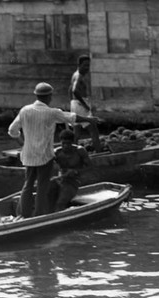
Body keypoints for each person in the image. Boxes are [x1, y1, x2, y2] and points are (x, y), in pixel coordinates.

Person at [8, 82, 101, 218]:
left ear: (36, 95)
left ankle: (23, 215)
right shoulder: (51, 113)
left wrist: (24, 143)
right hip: (45, 156)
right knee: (42, 186)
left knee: (27, 185)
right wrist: (89, 120)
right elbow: (72, 117)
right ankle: (38, 216)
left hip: (28, 155)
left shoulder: (24, 110)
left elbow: (12, 131)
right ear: (49, 97)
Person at [49, 129, 92, 212]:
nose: (65, 146)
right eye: (63, 143)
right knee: (47, 196)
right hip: (60, 180)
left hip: (74, 181)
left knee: (60, 203)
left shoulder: (80, 151)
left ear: (72, 142)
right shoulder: (57, 152)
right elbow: (47, 165)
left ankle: (59, 219)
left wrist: (76, 171)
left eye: (68, 144)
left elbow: (90, 167)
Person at [69, 54, 102, 153]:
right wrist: (84, 105)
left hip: (74, 104)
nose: (87, 68)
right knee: (93, 130)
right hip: (80, 104)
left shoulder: (75, 75)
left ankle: (72, 152)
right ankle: (99, 153)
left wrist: (72, 102)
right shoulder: (78, 76)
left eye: (88, 65)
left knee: (77, 132)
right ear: (79, 65)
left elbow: (70, 89)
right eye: (85, 65)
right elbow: (74, 90)